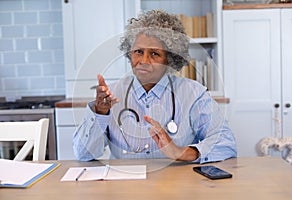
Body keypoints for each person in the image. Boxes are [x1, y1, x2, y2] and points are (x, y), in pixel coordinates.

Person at [73, 10, 237, 163]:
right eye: (138, 51)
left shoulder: (193, 94)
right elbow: (83, 154)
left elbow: (226, 142)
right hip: (125, 188)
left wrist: (182, 152)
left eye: (154, 54)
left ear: (170, 59)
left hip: (178, 187)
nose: (144, 60)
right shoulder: (111, 95)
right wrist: (100, 113)